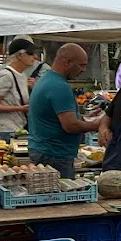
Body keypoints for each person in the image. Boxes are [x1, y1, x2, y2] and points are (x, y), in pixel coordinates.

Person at [28, 43, 104, 178]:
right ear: (68, 62)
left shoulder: (46, 80)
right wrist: (98, 124)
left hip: (45, 151)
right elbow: (70, 125)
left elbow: (57, 117)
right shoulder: (60, 87)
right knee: (61, 190)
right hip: (55, 156)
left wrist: (86, 119)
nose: (83, 70)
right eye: (81, 65)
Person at [0, 38, 38, 138]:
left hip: (18, 128)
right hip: (4, 131)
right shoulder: (5, 75)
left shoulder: (23, 76)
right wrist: (20, 108)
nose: (35, 57)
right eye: (30, 53)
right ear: (19, 56)